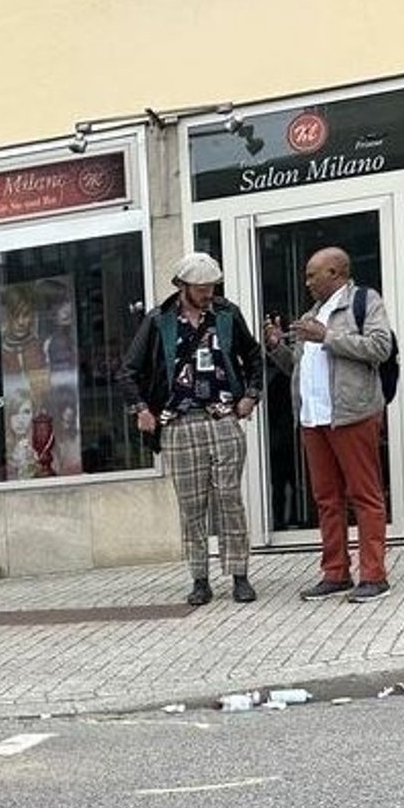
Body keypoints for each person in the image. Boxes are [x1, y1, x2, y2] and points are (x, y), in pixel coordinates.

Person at [122, 252, 264, 606]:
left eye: (212, 286)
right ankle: (200, 579)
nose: (207, 293)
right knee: (191, 505)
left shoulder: (227, 314)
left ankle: (239, 575)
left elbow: (254, 355)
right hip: (179, 422)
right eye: (201, 288)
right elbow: (127, 372)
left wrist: (251, 395)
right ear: (182, 286)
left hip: (223, 416)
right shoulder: (158, 320)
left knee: (229, 498)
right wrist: (141, 409)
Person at [264, 246, 396, 603]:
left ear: (335, 273)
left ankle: (373, 575)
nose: (307, 282)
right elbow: (301, 368)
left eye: (312, 275)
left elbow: (380, 347)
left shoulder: (364, 302)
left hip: (351, 414)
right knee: (326, 500)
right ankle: (335, 573)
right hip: (313, 418)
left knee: (365, 496)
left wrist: (328, 337)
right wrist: (277, 348)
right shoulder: (313, 313)